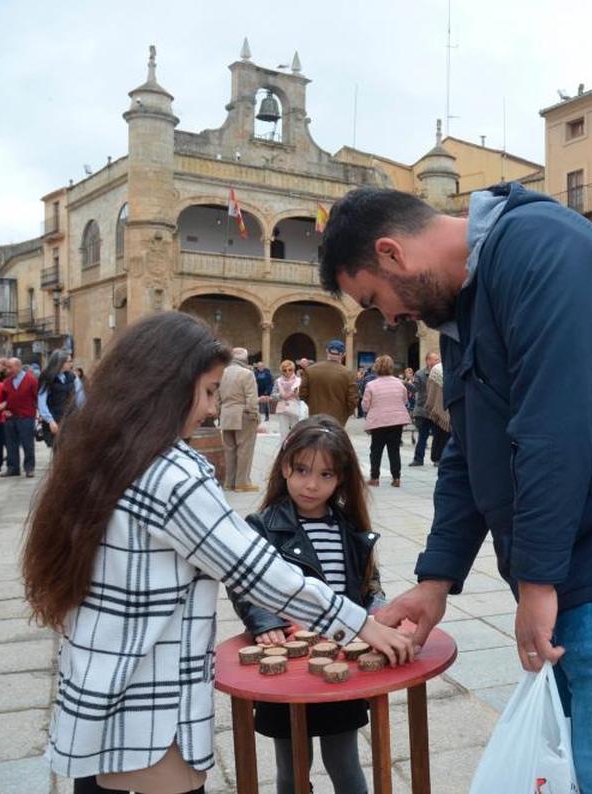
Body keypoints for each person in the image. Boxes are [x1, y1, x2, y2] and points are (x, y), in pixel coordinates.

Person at [318, 184, 592, 793]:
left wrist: (538, 580)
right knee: (579, 770)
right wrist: (437, 579)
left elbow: (559, 426)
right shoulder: (463, 304)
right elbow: (470, 450)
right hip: (579, 554)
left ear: (392, 254)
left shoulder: (545, 248)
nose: (387, 318)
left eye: (374, 299)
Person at [20, 312, 413, 794]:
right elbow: (256, 570)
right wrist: (361, 623)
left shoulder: (105, 448)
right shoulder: (171, 473)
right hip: (150, 702)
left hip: (100, 684)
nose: (210, 408)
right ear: (166, 385)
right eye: (207, 391)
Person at [229, 415, 385, 794]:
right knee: (293, 766)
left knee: (344, 758)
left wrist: (378, 613)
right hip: (289, 660)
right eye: (301, 470)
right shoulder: (263, 525)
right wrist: (264, 621)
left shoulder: (348, 527)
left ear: (341, 479)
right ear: (285, 467)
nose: (311, 484)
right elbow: (245, 582)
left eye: (326, 475)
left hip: (338, 659)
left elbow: (367, 586)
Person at [362, 354, 410, 487]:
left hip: (378, 421)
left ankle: (375, 478)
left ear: (376, 368)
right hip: (396, 421)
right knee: (394, 450)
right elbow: (405, 400)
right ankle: (396, 478)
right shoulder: (399, 383)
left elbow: (365, 405)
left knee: (376, 450)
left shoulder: (371, 385)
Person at [218, 347, 260, 492]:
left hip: (226, 413)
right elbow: (251, 398)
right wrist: (253, 414)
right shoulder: (247, 373)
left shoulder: (222, 373)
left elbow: (217, 397)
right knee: (244, 449)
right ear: (245, 359)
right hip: (243, 413)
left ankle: (229, 482)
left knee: (229, 450)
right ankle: (242, 483)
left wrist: (219, 413)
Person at [301, 340, 359, 426]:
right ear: (343, 354)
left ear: (327, 351)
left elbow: (302, 393)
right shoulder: (348, 374)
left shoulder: (310, 370)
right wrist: (345, 414)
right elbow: (353, 400)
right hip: (337, 419)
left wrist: (313, 405)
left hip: (315, 416)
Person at [0, 358, 38, 477]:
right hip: (11, 417)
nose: (7, 370)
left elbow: (37, 397)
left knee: (28, 443)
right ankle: (13, 468)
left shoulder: (31, 380)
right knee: (11, 444)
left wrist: (39, 414)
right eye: (6, 367)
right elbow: (3, 399)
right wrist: (5, 410)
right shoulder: (6, 381)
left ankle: (29, 468)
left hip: (26, 416)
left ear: (18, 366)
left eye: (10, 367)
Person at [37, 349, 83, 446]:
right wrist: (50, 421)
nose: (71, 364)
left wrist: (82, 415)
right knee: (58, 449)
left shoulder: (73, 377)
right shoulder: (47, 378)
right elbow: (41, 402)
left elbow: (80, 398)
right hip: (54, 421)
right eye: (69, 361)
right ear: (60, 363)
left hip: (71, 418)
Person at [408, 351, 439, 467]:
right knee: (423, 436)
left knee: (437, 436)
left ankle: (437, 459)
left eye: (438, 359)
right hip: (423, 410)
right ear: (428, 360)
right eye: (434, 359)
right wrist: (406, 384)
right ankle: (418, 459)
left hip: (436, 410)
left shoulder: (441, 372)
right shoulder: (420, 374)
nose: (437, 361)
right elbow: (415, 388)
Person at [424, 360, 451, 464]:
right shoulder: (437, 369)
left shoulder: (438, 369)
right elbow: (430, 388)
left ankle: (440, 457)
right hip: (439, 406)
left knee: (442, 434)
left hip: (449, 406)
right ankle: (437, 457)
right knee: (439, 433)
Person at [273, 358, 306, 437]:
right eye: (284, 370)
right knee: (283, 432)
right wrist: (280, 396)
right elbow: (273, 395)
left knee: (296, 431)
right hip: (282, 408)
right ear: (281, 371)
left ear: (293, 369)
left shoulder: (299, 380)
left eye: (290, 369)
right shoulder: (278, 381)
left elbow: (304, 395)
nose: (287, 372)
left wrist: (298, 394)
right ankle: (284, 448)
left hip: (295, 407)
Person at [254, 359, 275, 424]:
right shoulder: (255, 373)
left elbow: (270, 383)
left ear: (263, 366)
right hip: (257, 391)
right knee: (256, 404)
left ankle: (267, 416)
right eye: (259, 366)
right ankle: (257, 416)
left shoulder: (268, 374)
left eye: (261, 366)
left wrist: (268, 391)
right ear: (257, 367)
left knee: (266, 403)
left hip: (265, 391)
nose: (260, 367)